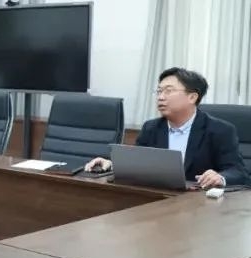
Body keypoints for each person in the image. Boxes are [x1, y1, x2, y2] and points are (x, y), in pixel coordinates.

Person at [85, 67, 247, 189]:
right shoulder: (151, 128)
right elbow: (138, 163)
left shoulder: (220, 130)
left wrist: (220, 177)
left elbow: (238, 172)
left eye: (169, 91)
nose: (161, 97)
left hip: (198, 205)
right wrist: (111, 163)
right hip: (158, 199)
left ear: (192, 97)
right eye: (159, 91)